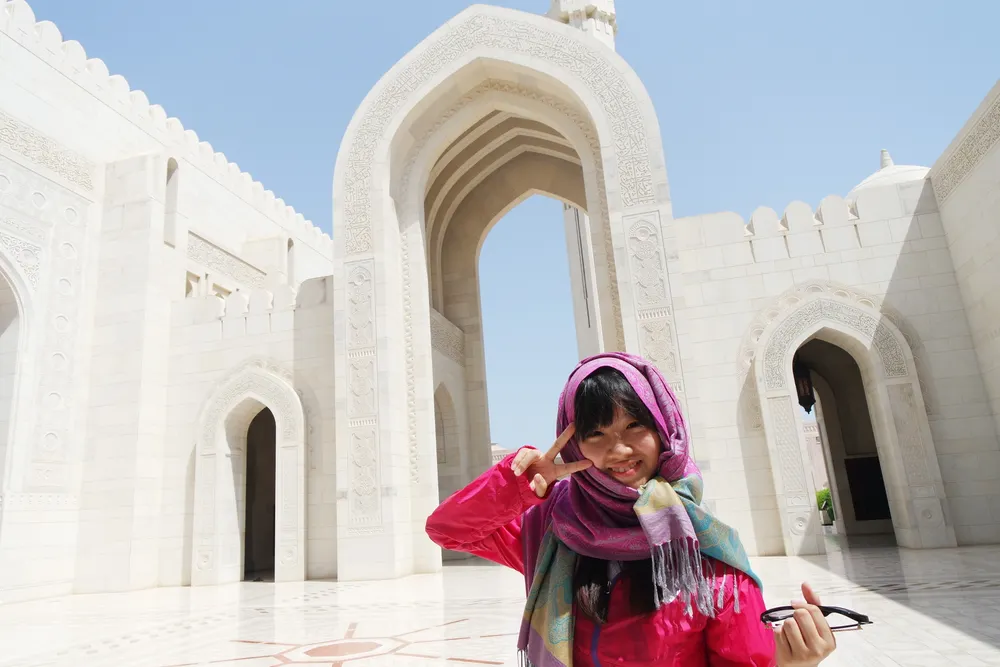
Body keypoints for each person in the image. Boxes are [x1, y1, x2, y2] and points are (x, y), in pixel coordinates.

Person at [426, 352, 836, 667]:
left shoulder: (704, 552)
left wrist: (788, 663)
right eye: (595, 433)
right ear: (574, 446)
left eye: (634, 426)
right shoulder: (557, 529)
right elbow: (447, 529)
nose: (618, 449)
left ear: (664, 428)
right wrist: (517, 485)